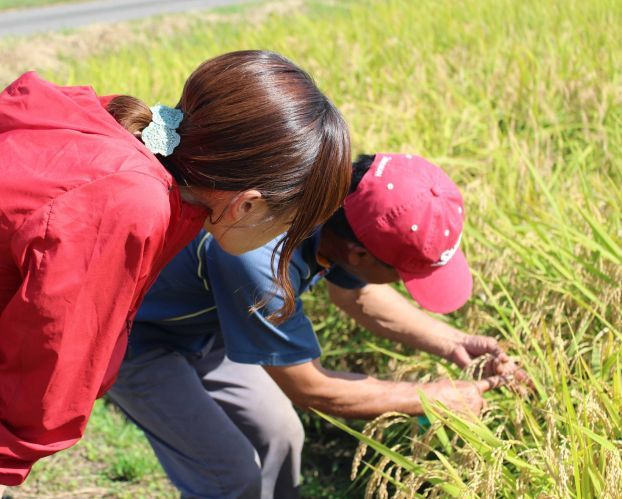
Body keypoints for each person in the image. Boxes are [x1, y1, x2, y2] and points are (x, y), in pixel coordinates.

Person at [0, 50, 351, 499]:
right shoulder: (124, 201)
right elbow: (49, 373)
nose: (289, 238)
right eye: (292, 224)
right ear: (248, 204)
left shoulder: (131, 161)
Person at [107, 153, 526, 499]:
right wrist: (432, 398)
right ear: (359, 254)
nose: (404, 283)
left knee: (281, 437)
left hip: (208, 327)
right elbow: (311, 388)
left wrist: (454, 341)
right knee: (231, 476)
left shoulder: (344, 207)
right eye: (403, 274)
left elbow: (356, 293)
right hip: (133, 336)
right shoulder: (259, 254)